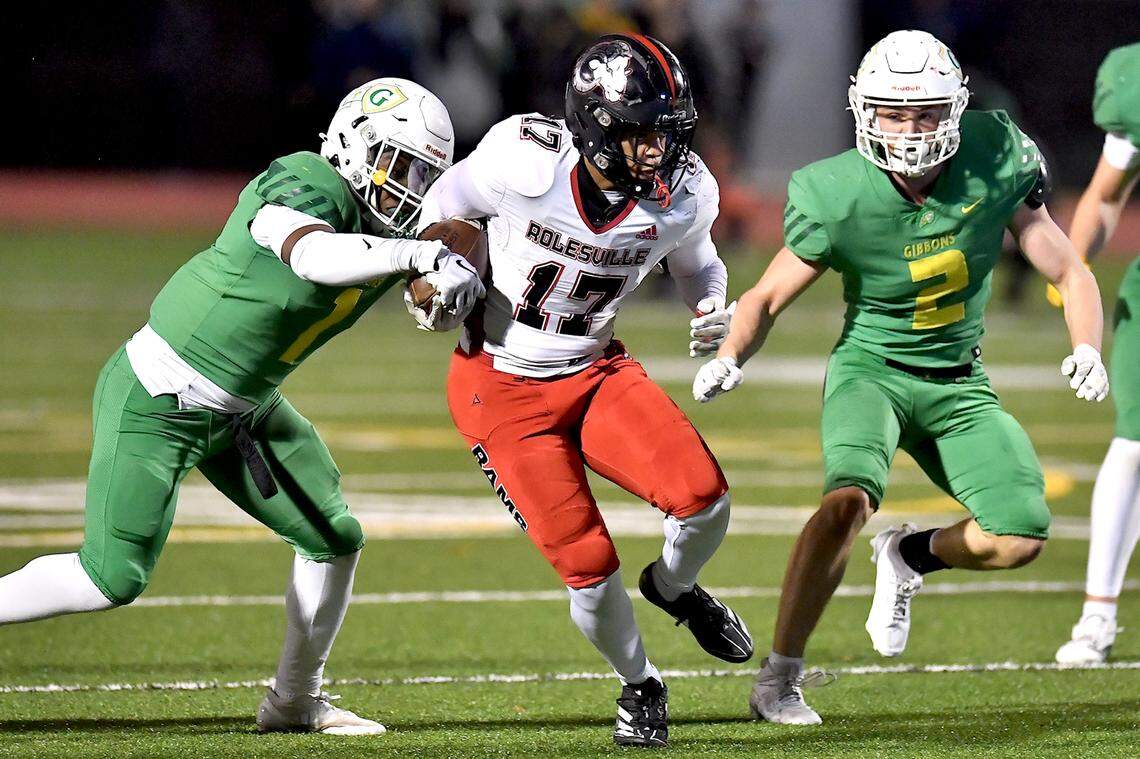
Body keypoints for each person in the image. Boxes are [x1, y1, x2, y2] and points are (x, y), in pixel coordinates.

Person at [0, 77, 484, 734]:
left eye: (419, 173)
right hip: (159, 395)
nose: (402, 185)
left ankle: (294, 701)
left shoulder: (394, 233)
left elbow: (416, 281)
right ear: (351, 143)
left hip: (244, 410)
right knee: (109, 576)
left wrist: (446, 290)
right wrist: (418, 253)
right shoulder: (306, 179)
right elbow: (312, 254)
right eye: (394, 163)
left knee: (333, 537)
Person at [693, 30, 1108, 725]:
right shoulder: (836, 192)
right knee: (845, 502)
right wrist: (732, 353)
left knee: (1021, 533)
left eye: (925, 114)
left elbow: (1068, 267)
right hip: (873, 373)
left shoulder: (993, 154)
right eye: (892, 112)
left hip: (958, 382)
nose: (910, 130)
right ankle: (779, 676)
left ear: (955, 111)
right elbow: (764, 297)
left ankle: (911, 551)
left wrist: (1088, 345)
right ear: (864, 112)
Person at [416, 34, 753, 748]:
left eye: (669, 134)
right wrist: (437, 266)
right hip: (498, 386)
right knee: (589, 567)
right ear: (597, 127)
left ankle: (671, 587)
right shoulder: (523, 161)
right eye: (641, 136)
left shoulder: (685, 193)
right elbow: (442, 204)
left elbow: (700, 265)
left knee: (707, 502)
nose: (660, 153)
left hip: (596, 369)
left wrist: (709, 306)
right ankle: (641, 681)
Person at [1054, 42, 1140, 665]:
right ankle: (1097, 613)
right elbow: (1108, 192)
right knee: (1134, 442)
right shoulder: (1132, 78)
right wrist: (1072, 267)